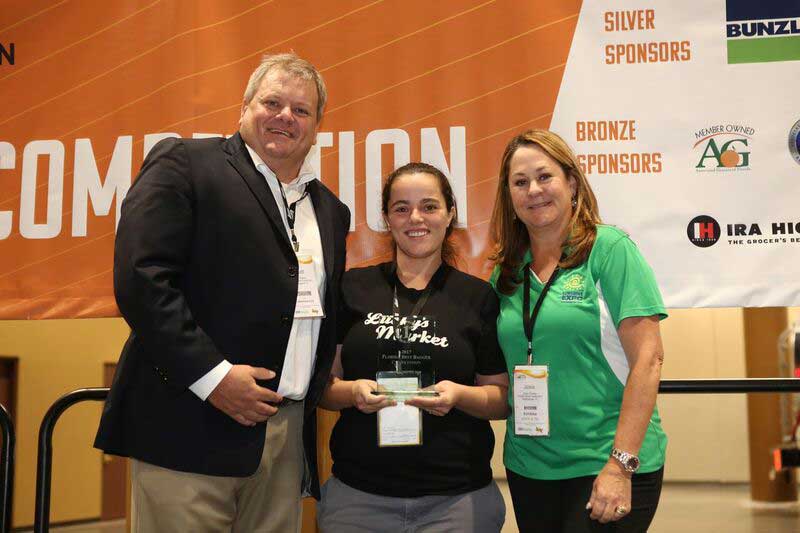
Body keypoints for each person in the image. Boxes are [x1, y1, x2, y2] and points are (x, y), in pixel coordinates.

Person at [94, 53, 350, 533]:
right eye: (272, 102)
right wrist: (214, 378)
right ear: (245, 106)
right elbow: (142, 278)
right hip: (188, 423)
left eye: (301, 110)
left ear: (317, 127)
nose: (284, 117)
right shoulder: (187, 163)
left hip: (286, 435)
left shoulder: (330, 210)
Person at [489, 130, 667, 532]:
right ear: (509, 195)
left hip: (604, 463)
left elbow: (649, 359)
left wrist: (620, 466)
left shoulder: (609, 249)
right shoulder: (507, 271)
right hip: (529, 467)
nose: (533, 190)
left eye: (544, 177)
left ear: (571, 183)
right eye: (520, 182)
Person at [316, 162, 509, 532]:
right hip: (359, 501)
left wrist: (459, 395)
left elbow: (500, 399)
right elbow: (325, 389)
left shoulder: (477, 297)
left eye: (429, 206)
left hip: (457, 503)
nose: (415, 217)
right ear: (387, 218)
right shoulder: (352, 287)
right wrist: (353, 392)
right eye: (401, 208)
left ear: (450, 213)